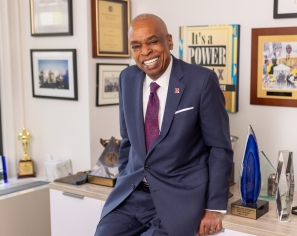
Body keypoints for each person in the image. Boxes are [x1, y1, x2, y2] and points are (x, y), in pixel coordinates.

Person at [95, 14, 233, 236]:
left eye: (152, 42)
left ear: (168, 41)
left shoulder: (202, 80)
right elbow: (128, 140)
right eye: (136, 46)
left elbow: (219, 147)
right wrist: (124, 179)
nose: (145, 52)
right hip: (133, 194)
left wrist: (213, 208)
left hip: (178, 198)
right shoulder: (127, 78)